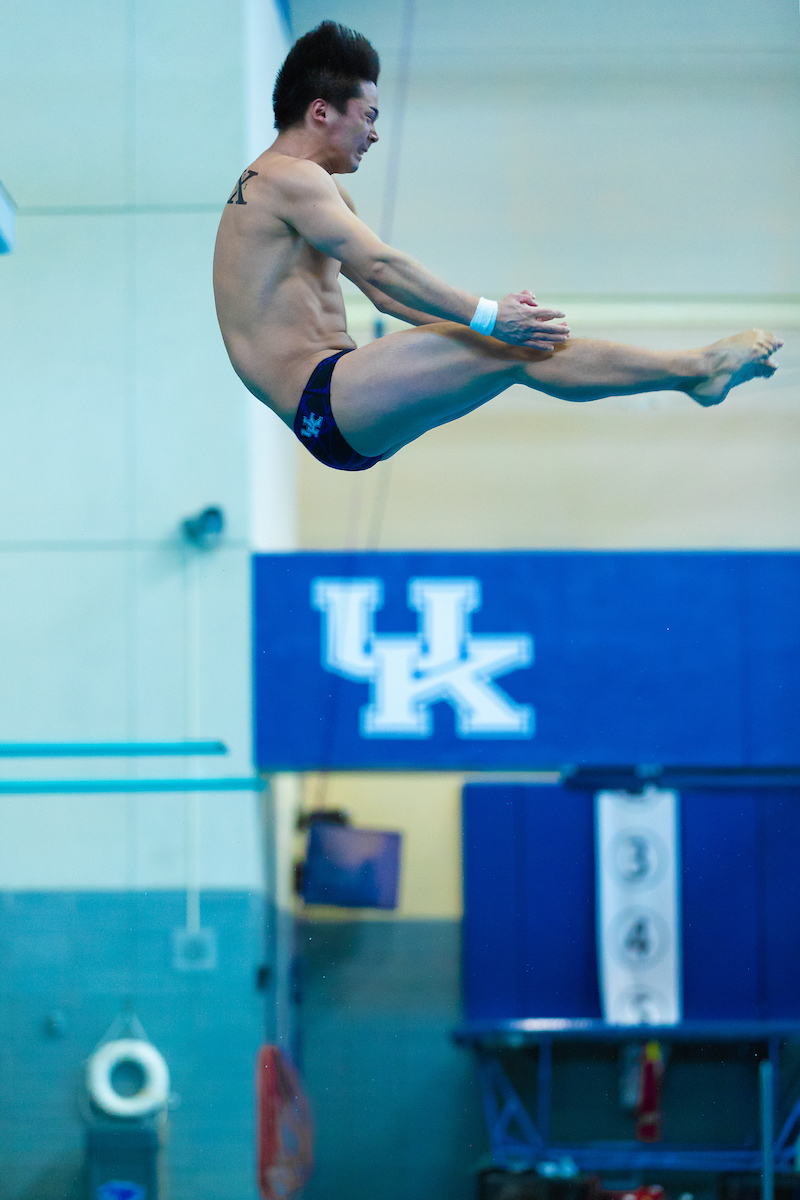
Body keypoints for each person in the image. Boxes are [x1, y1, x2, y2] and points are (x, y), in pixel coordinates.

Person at [213, 21, 781, 472]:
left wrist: (500, 325)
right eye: (369, 116)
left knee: (520, 350)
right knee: (509, 348)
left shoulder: (307, 190)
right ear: (321, 111)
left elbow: (387, 300)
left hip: (339, 407)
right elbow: (384, 270)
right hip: (326, 397)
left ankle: (696, 373)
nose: (375, 133)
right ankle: (698, 369)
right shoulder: (292, 178)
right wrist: (489, 318)